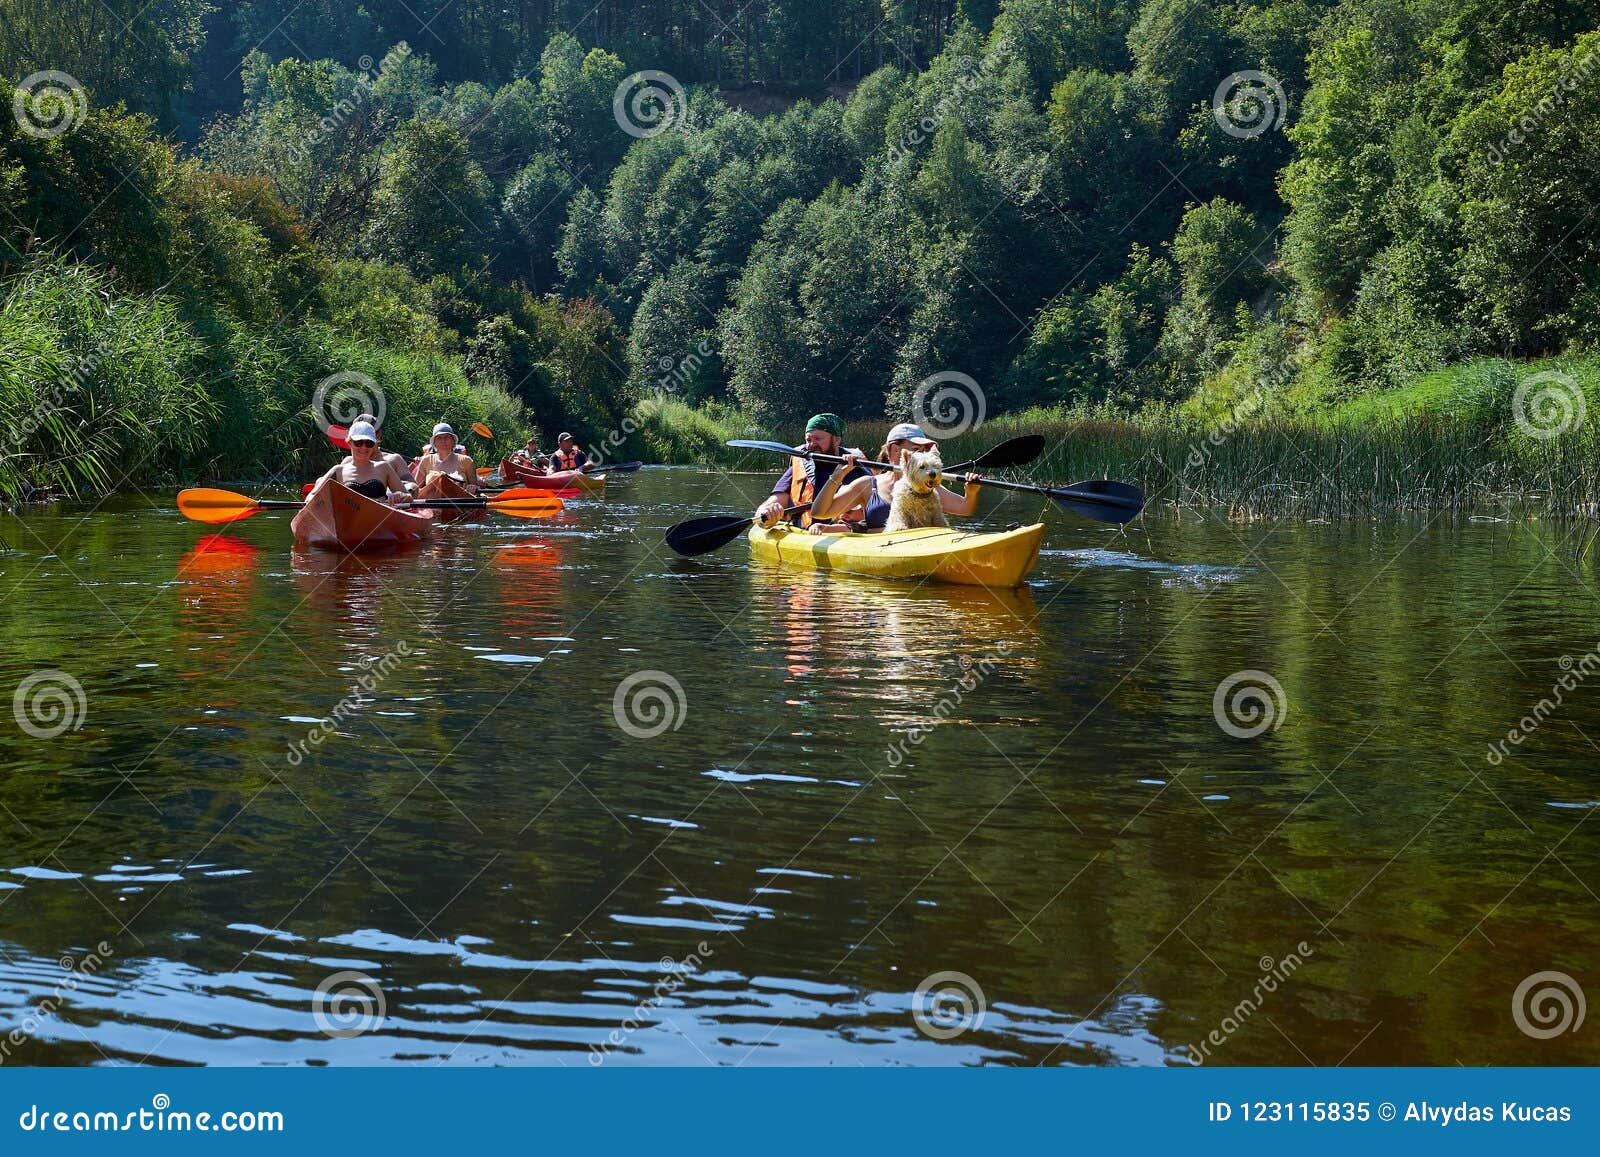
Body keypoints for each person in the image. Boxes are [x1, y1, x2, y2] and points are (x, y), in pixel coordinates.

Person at [807, 422, 982, 534]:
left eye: (924, 450)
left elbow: (965, 509)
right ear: (896, 451)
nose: (923, 455)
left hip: (921, 549)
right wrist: (838, 475)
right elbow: (820, 513)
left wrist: (971, 492)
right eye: (916, 449)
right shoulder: (868, 485)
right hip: (880, 552)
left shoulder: (928, 485)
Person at [753, 413, 874, 530]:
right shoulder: (800, 467)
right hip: (806, 535)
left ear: (836, 440)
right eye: (808, 439)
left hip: (844, 534)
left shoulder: (857, 469)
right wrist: (767, 512)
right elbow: (772, 502)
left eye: (818, 439)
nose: (811, 445)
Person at [313, 421, 415, 503]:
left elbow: (409, 498)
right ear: (349, 442)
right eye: (358, 443)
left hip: (378, 519)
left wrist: (401, 495)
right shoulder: (338, 470)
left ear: (374, 444)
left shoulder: (384, 467)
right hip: (346, 518)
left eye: (369, 443)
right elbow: (312, 495)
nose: (364, 448)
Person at [411, 423, 480, 493]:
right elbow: (416, 488)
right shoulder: (425, 460)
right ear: (434, 443)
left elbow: (475, 487)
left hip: (459, 501)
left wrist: (472, 487)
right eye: (439, 438)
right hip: (432, 502)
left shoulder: (466, 461)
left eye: (446, 437)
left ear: (453, 441)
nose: (443, 441)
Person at [352, 412, 411, 477]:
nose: (363, 446)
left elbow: (410, 483)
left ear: (378, 435)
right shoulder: (347, 463)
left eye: (368, 435)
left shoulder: (394, 460)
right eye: (358, 437)